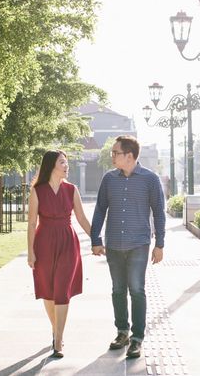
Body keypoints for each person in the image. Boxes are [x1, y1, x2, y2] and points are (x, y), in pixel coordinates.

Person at [90, 135, 166, 359]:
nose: (112, 156)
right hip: (113, 243)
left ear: (129, 156)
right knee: (117, 290)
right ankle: (122, 332)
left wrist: (160, 243)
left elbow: (159, 213)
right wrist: (96, 239)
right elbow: (100, 209)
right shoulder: (108, 179)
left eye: (116, 153)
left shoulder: (150, 179)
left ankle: (137, 338)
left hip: (139, 244)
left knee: (137, 289)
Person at [27, 150, 92, 358]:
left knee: (62, 291)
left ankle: (58, 340)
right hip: (44, 243)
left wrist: (97, 239)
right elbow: (31, 223)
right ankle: (56, 330)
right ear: (51, 165)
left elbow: (81, 218)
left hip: (67, 242)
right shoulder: (37, 191)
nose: (67, 166)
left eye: (67, 163)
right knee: (48, 290)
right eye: (62, 162)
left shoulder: (72, 190)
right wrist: (30, 252)